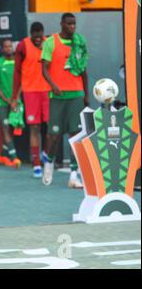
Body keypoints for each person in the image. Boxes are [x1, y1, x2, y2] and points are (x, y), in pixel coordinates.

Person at [41, 13, 89, 188]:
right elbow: (44, 69)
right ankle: (49, 163)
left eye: (74, 23)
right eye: (69, 23)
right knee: (54, 136)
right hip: (58, 96)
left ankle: (74, 175)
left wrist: (86, 94)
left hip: (76, 94)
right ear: (62, 24)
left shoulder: (80, 42)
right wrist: (52, 85)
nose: (72, 26)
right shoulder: (51, 42)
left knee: (75, 135)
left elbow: (83, 69)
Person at [11, 22, 50, 178]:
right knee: (34, 128)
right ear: (31, 34)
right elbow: (17, 72)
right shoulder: (23, 46)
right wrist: (15, 96)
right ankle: (36, 165)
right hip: (30, 92)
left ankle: (46, 155)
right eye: (35, 36)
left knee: (49, 129)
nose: (38, 39)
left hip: (47, 92)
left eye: (40, 35)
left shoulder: (49, 44)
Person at [0, 39, 21, 168]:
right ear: (2, 49)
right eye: (6, 46)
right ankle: (14, 157)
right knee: (5, 128)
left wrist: (15, 99)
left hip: (16, 101)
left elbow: (21, 82)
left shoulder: (18, 62)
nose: (8, 48)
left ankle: (3, 155)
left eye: (10, 46)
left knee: (12, 127)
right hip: (2, 102)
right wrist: (7, 100)